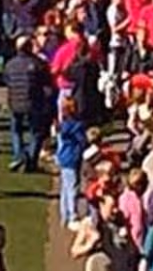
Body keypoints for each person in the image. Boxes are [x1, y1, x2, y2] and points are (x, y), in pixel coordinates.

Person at [4, 35, 50, 173]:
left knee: (16, 130)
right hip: (33, 102)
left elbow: (6, 80)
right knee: (36, 132)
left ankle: (19, 155)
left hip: (15, 102)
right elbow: (46, 81)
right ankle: (30, 160)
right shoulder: (37, 64)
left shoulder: (10, 64)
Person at [71, 194, 138, 271]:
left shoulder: (118, 219)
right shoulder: (90, 224)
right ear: (101, 205)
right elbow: (74, 251)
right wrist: (90, 244)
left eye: (116, 206)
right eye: (112, 207)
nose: (115, 210)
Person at [57, 97, 88, 230]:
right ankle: (72, 216)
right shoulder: (76, 126)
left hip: (63, 158)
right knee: (72, 188)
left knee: (65, 188)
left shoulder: (63, 124)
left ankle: (64, 214)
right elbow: (82, 141)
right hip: (72, 158)